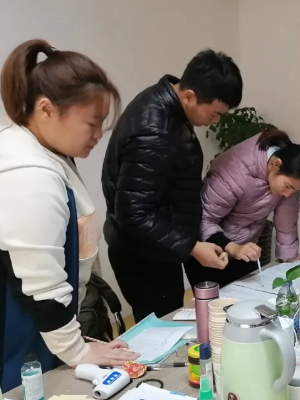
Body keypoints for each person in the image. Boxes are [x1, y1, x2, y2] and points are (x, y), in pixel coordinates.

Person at [0, 39, 138, 392]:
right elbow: (41, 289)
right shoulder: (27, 175)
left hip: (34, 328)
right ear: (46, 109)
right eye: (92, 123)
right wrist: (76, 350)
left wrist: (77, 341)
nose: (98, 136)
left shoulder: (24, 146)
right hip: (12, 339)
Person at [102, 49, 242, 322]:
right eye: (215, 114)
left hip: (159, 248)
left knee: (171, 320)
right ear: (189, 96)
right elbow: (133, 213)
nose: (216, 121)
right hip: (142, 257)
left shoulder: (169, 107)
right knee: (160, 330)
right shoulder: (154, 129)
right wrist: (191, 247)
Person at [198, 130, 300, 287]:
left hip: (244, 250)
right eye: (288, 186)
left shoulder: (291, 179)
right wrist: (233, 248)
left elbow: (286, 223)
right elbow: (203, 220)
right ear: (276, 164)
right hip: (208, 250)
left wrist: (290, 259)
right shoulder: (234, 173)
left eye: (294, 190)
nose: (287, 194)